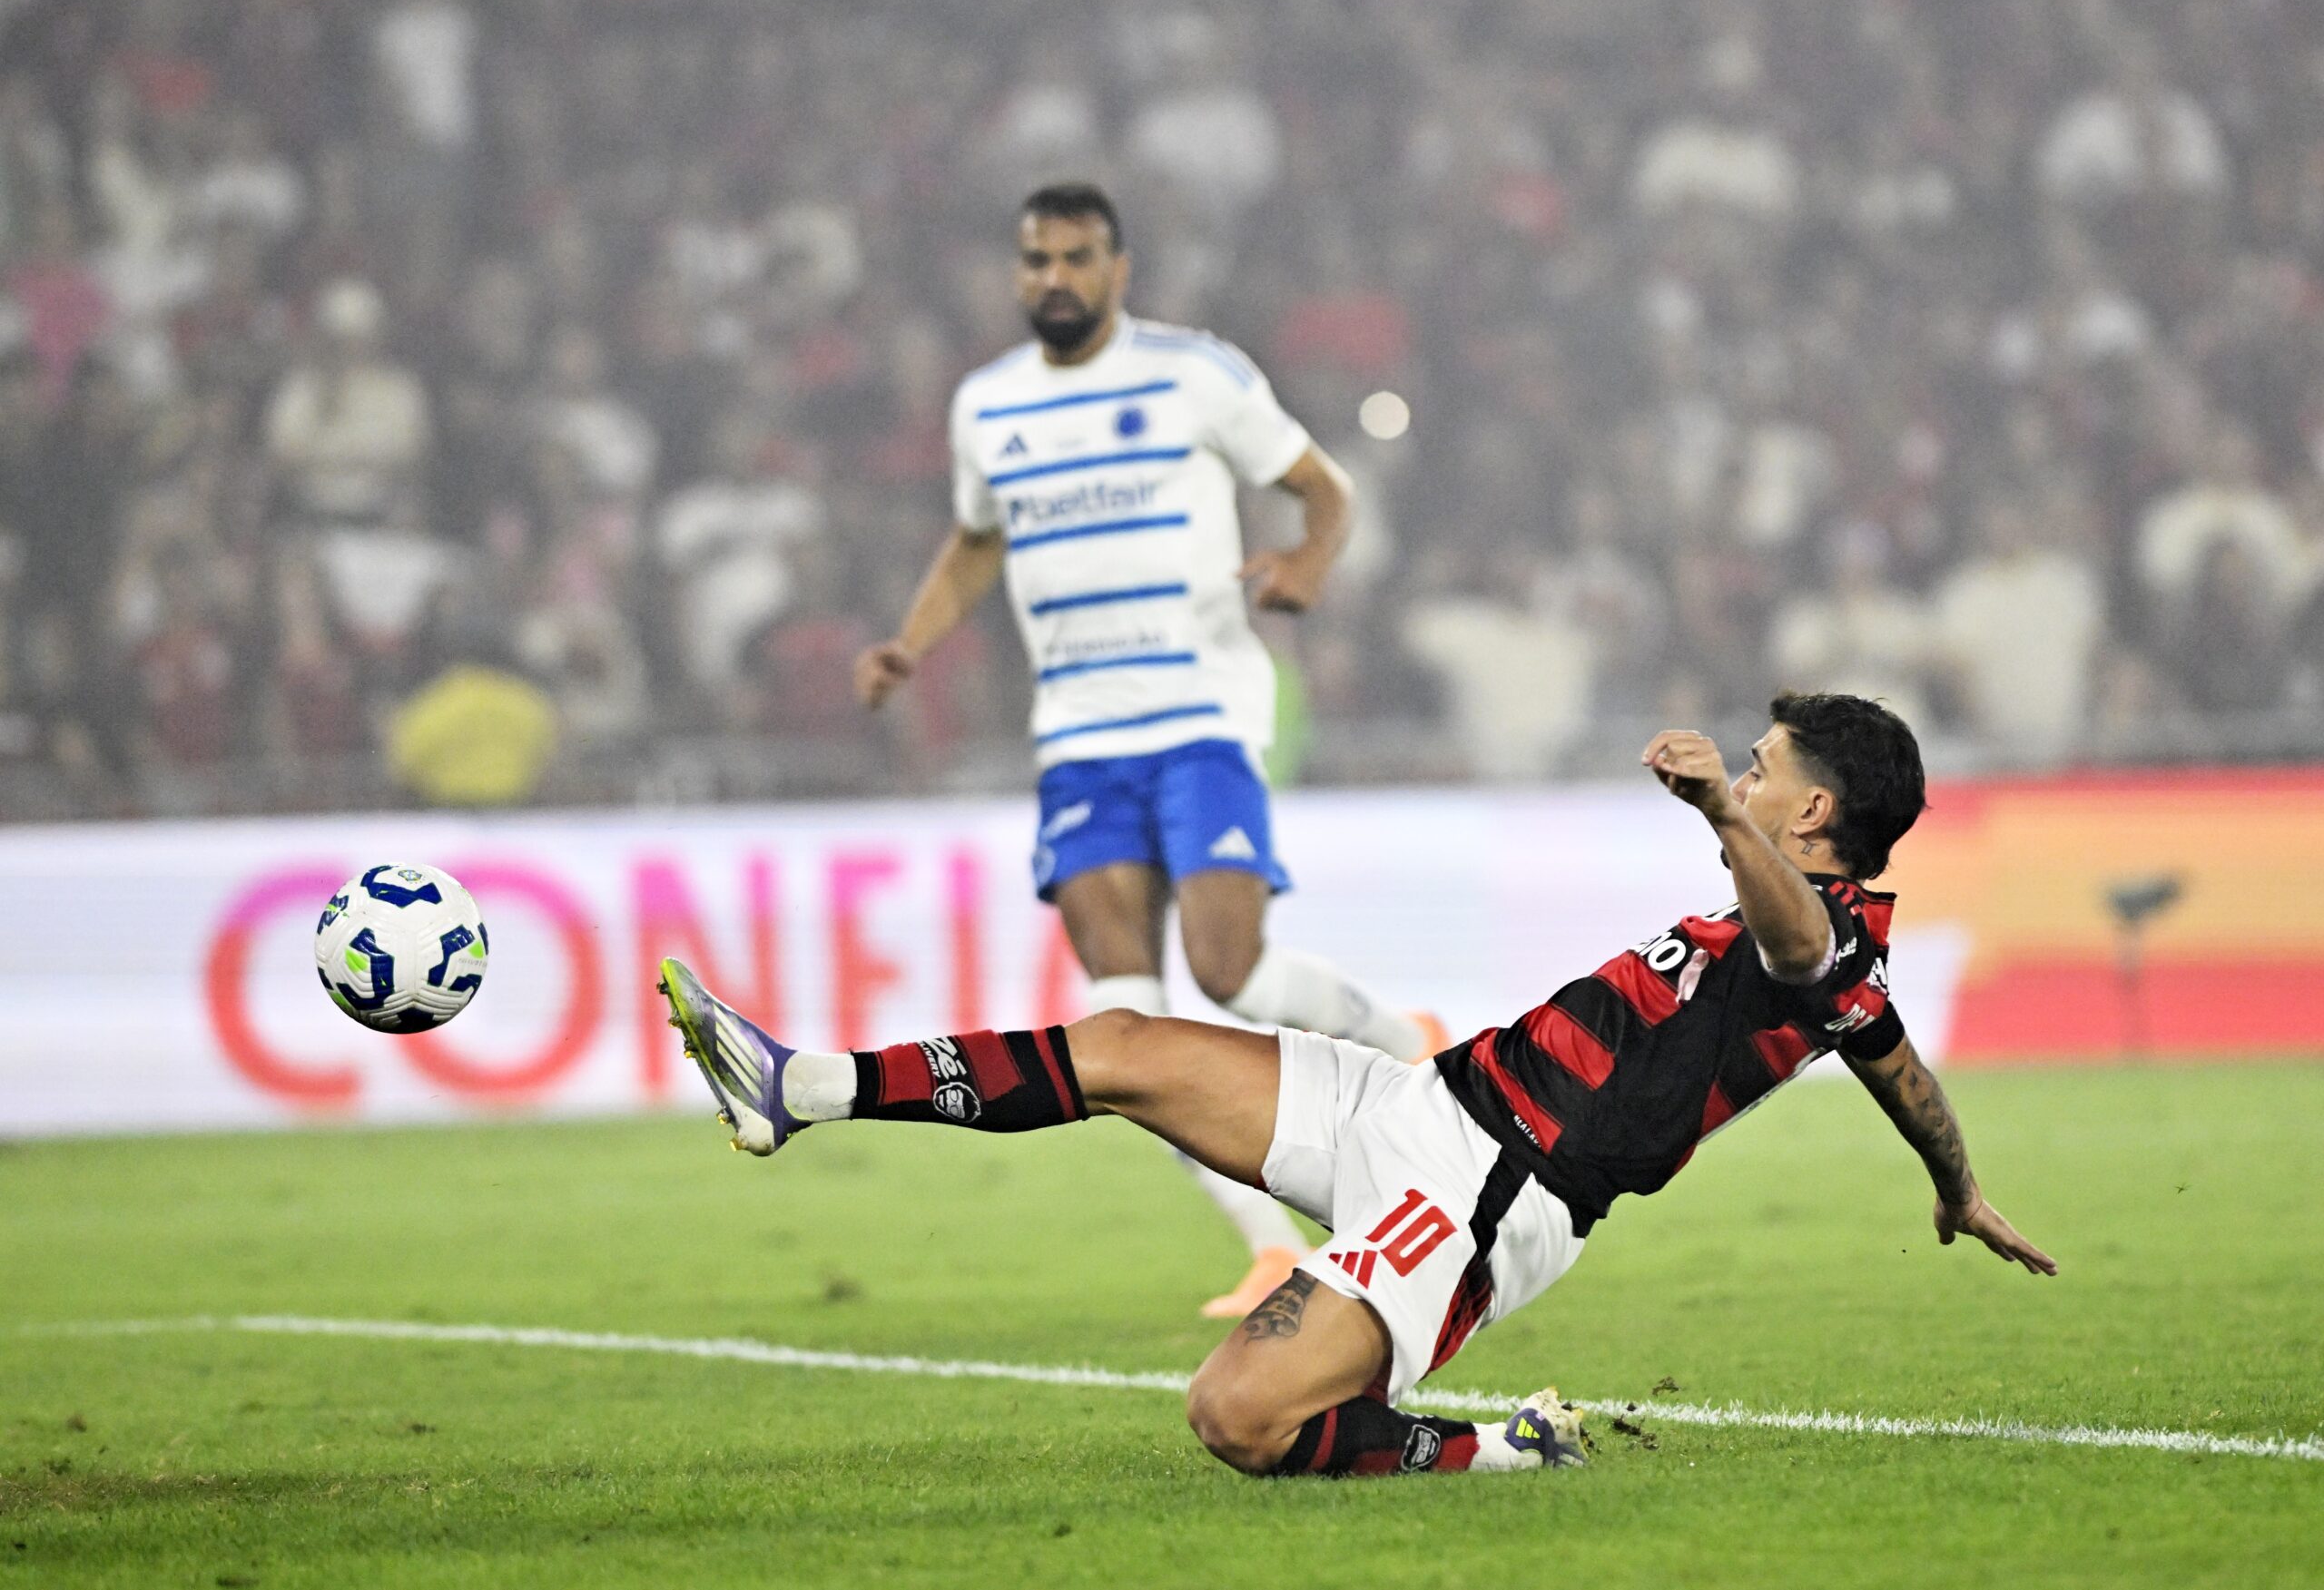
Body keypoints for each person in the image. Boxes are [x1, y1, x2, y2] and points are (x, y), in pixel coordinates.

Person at [660, 692, 2058, 1478]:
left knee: (1237, 1413)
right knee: (1131, 1044)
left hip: (1485, 1198)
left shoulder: (1821, 940)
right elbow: (1906, 1073)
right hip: (1419, 1104)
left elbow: (1801, 945)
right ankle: (799, 1084)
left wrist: (1711, 809)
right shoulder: (1838, 969)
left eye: (1765, 773)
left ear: (1811, 814)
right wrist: (1961, 1184)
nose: (1744, 777)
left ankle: (1502, 1457)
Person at [852, 182, 1443, 1317]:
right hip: (1079, 742)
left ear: (1118, 269)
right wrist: (910, 644)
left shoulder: (1196, 372)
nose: (1053, 279)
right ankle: (1268, 1244)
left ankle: (1404, 1042)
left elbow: (1323, 487)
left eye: (1076, 258)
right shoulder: (986, 405)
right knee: (1122, 1021)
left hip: (1201, 718)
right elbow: (977, 541)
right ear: (1016, 271)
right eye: (1035, 260)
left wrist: (1309, 564)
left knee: (1232, 974)